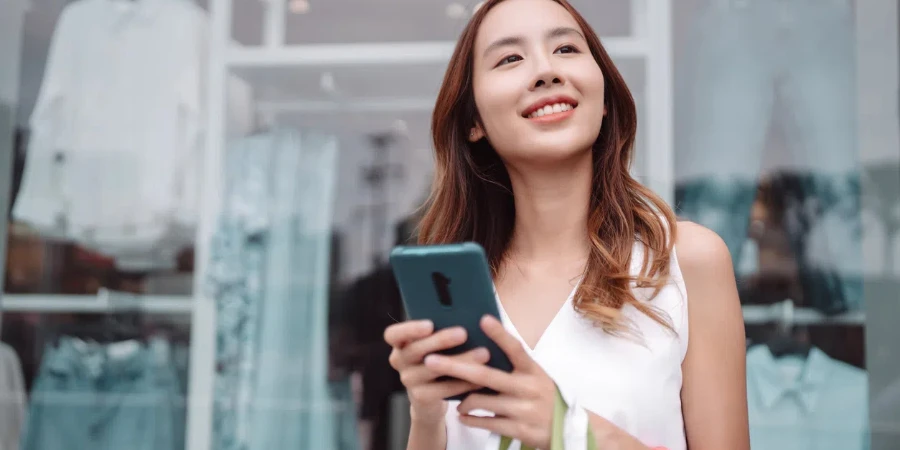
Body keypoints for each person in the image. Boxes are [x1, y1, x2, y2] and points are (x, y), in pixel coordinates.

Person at [383, 0, 751, 449]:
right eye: (510, 58)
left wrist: (568, 431)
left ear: (603, 99)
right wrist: (425, 418)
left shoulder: (685, 261)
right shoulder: (454, 291)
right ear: (473, 121)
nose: (545, 71)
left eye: (566, 49)